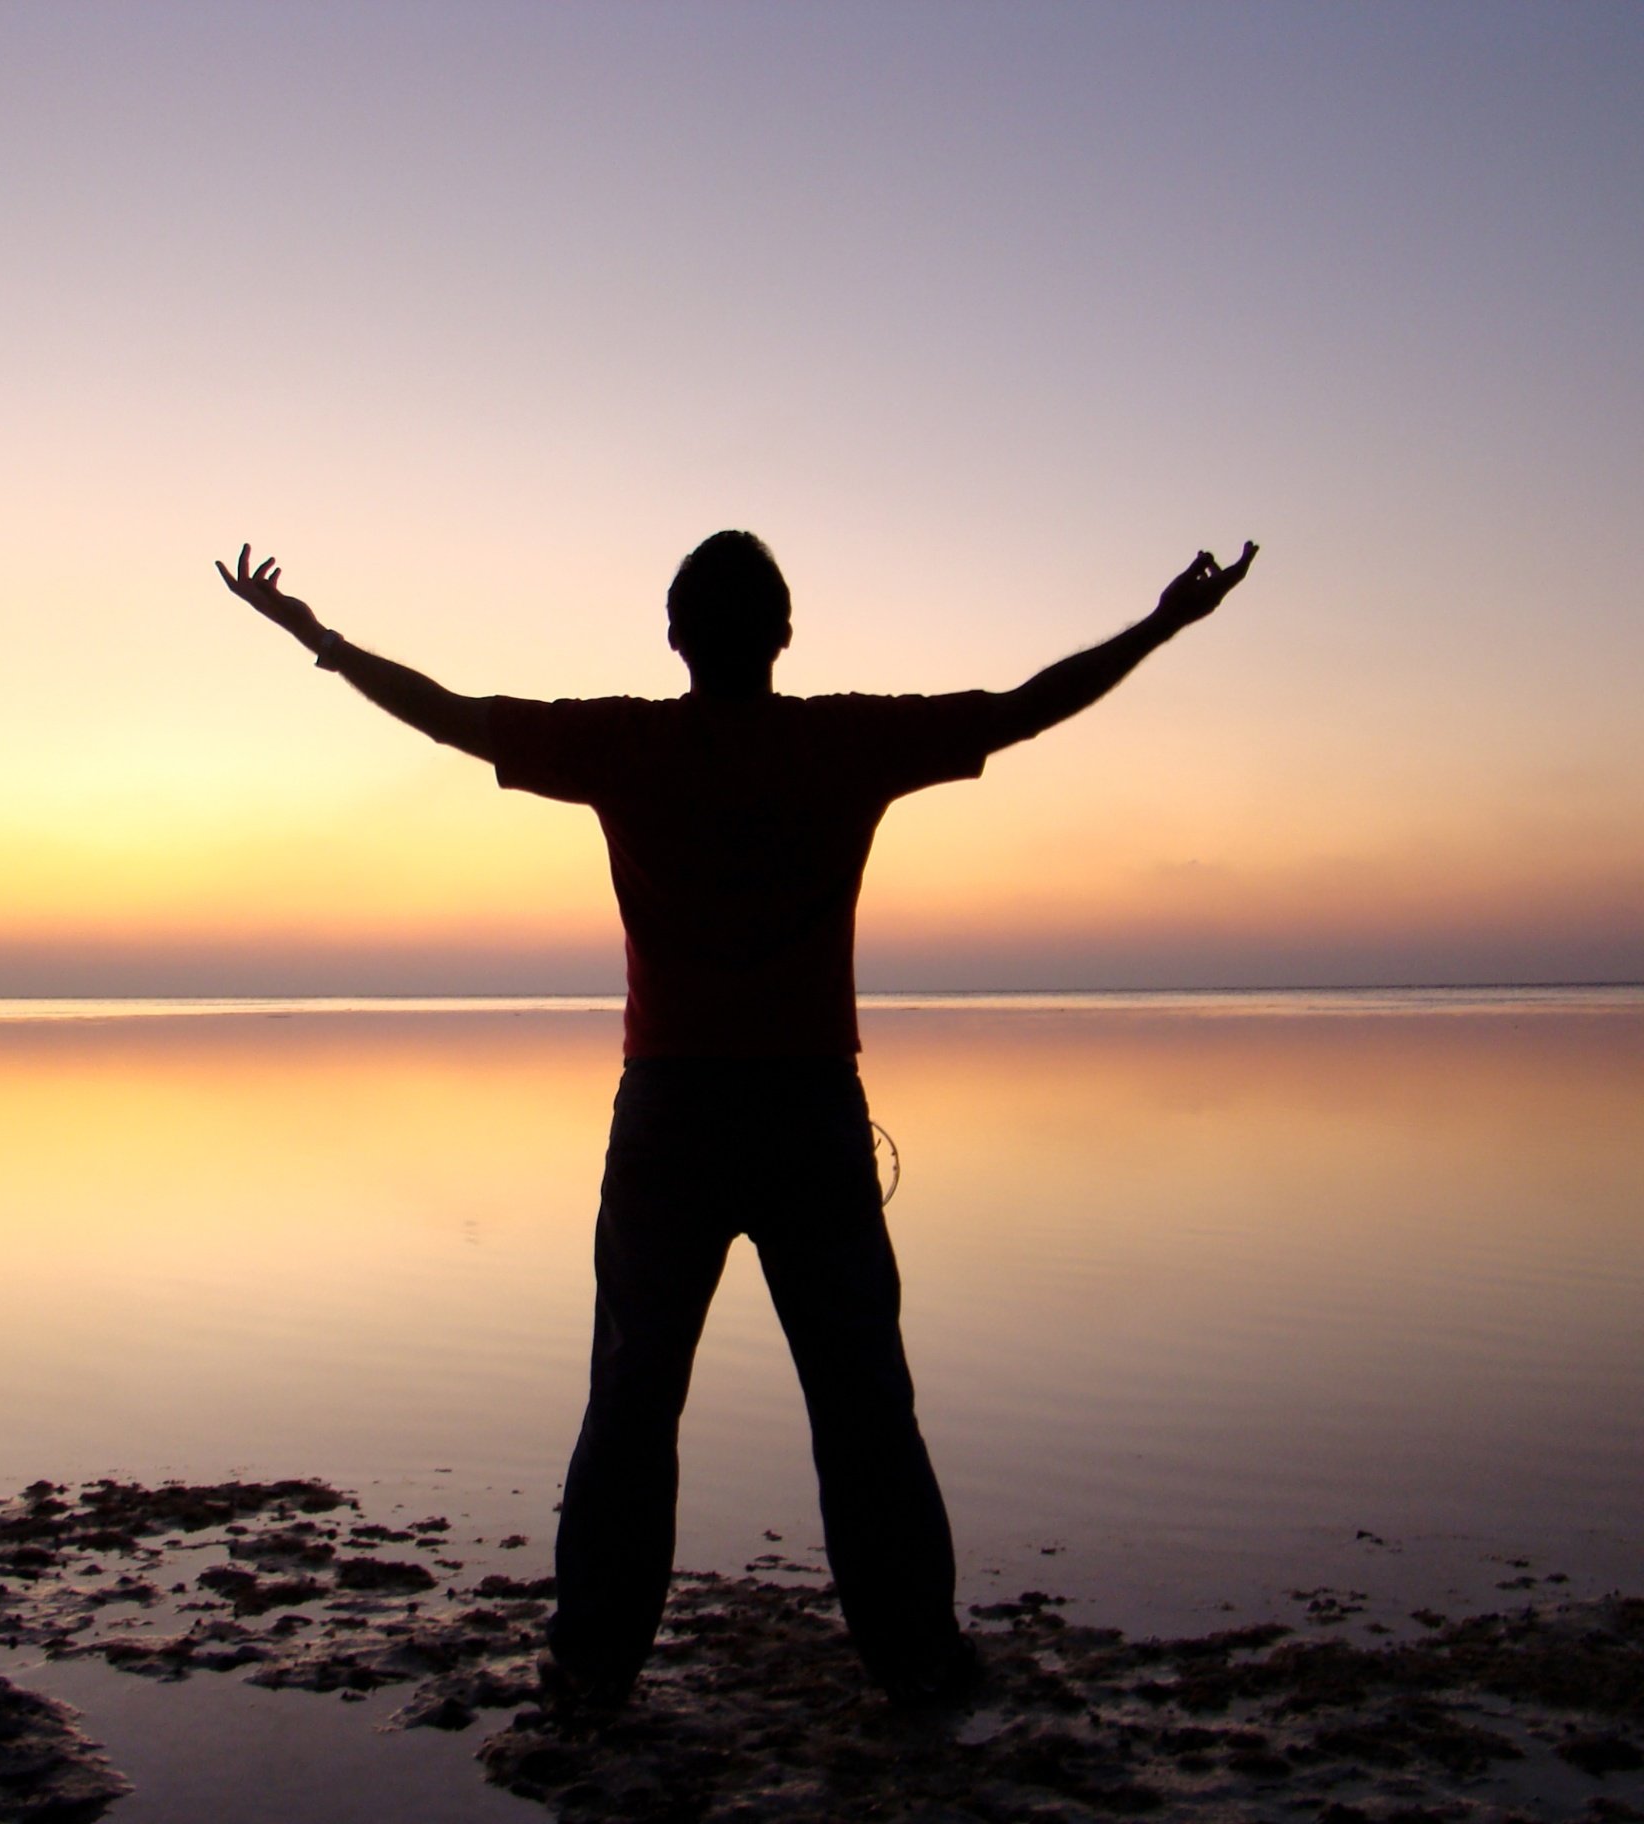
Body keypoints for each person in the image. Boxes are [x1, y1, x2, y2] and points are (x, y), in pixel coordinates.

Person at [217, 529, 1258, 1706]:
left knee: (634, 1399)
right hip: (808, 1111)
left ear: (675, 637)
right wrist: (1165, 625)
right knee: (862, 1401)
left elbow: (450, 715)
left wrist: (319, 640)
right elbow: (1023, 709)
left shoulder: (628, 743)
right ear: (783, 635)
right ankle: (914, 1660)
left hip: (672, 1113)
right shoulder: (840, 741)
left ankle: (594, 1663)